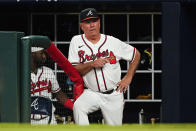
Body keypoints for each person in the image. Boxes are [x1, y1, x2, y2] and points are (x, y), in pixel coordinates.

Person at [68, 8, 141, 125]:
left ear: (99, 23)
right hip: (92, 92)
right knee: (78, 106)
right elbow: (73, 69)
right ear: (82, 26)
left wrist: (128, 77)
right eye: (87, 22)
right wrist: (92, 64)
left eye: (94, 21)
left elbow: (135, 54)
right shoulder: (76, 41)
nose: (92, 25)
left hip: (113, 93)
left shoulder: (112, 42)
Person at [31, 47, 72, 124]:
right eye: (41, 53)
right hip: (29, 120)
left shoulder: (48, 71)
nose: (44, 56)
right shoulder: (21, 73)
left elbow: (59, 94)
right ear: (32, 54)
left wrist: (74, 107)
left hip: (49, 119)